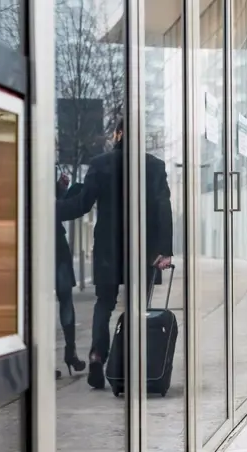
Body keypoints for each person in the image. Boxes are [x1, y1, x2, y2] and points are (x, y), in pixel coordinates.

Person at [56, 118, 173, 389]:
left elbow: (82, 204)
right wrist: (164, 251)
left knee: (104, 304)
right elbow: (162, 209)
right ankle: (129, 361)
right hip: (144, 249)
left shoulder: (100, 163)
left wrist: (51, 208)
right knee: (137, 308)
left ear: (119, 134)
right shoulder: (154, 166)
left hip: (108, 246)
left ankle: (98, 354)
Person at [55, 172, 86, 379]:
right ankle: (70, 351)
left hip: (52, 245)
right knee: (64, 300)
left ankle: (70, 351)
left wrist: (59, 190)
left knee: (65, 299)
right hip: (50, 243)